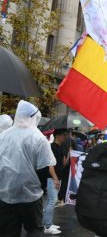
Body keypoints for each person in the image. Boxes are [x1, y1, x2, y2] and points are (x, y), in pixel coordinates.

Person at [0, 100, 56, 237]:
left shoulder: (3, 136)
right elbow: (44, 169)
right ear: (32, 117)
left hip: (6, 193)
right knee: (35, 229)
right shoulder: (38, 138)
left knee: (8, 231)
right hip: (30, 195)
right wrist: (41, 188)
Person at [42, 128, 69, 235]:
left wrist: (68, 154)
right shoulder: (51, 147)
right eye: (64, 135)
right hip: (52, 177)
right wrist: (55, 178)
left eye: (66, 135)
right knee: (52, 200)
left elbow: (63, 164)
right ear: (57, 135)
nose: (65, 137)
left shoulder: (62, 147)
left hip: (58, 177)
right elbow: (50, 165)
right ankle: (48, 226)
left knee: (50, 201)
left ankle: (47, 223)